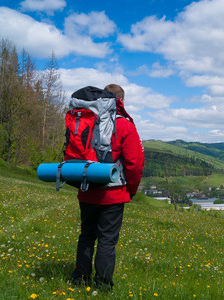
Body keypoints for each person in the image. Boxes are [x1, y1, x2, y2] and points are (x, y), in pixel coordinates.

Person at [71, 84, 145, 290]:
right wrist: (131, 189)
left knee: (86, 235)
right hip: (113, 193)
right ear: (121, 101)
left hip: (86, 189)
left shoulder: (85, 120)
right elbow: (134, 163)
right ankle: (102, 286)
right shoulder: (124, 125)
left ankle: (79, 279)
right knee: (107, 240)